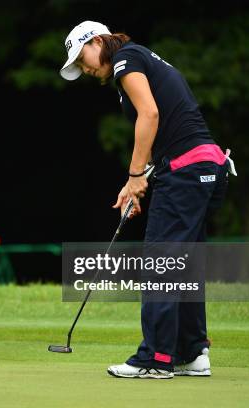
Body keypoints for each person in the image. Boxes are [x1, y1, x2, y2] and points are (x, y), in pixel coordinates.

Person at [59, 21, 235, 379]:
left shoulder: (126, 59)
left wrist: (136, 175)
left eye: (82, 57)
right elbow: (165, 128)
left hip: (188, 170)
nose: (85, 68)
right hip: (204, 167)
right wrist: (134, 182)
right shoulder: (140, 60)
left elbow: (150, 115)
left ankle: (156, 358)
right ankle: (192, 352)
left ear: (97, 41)